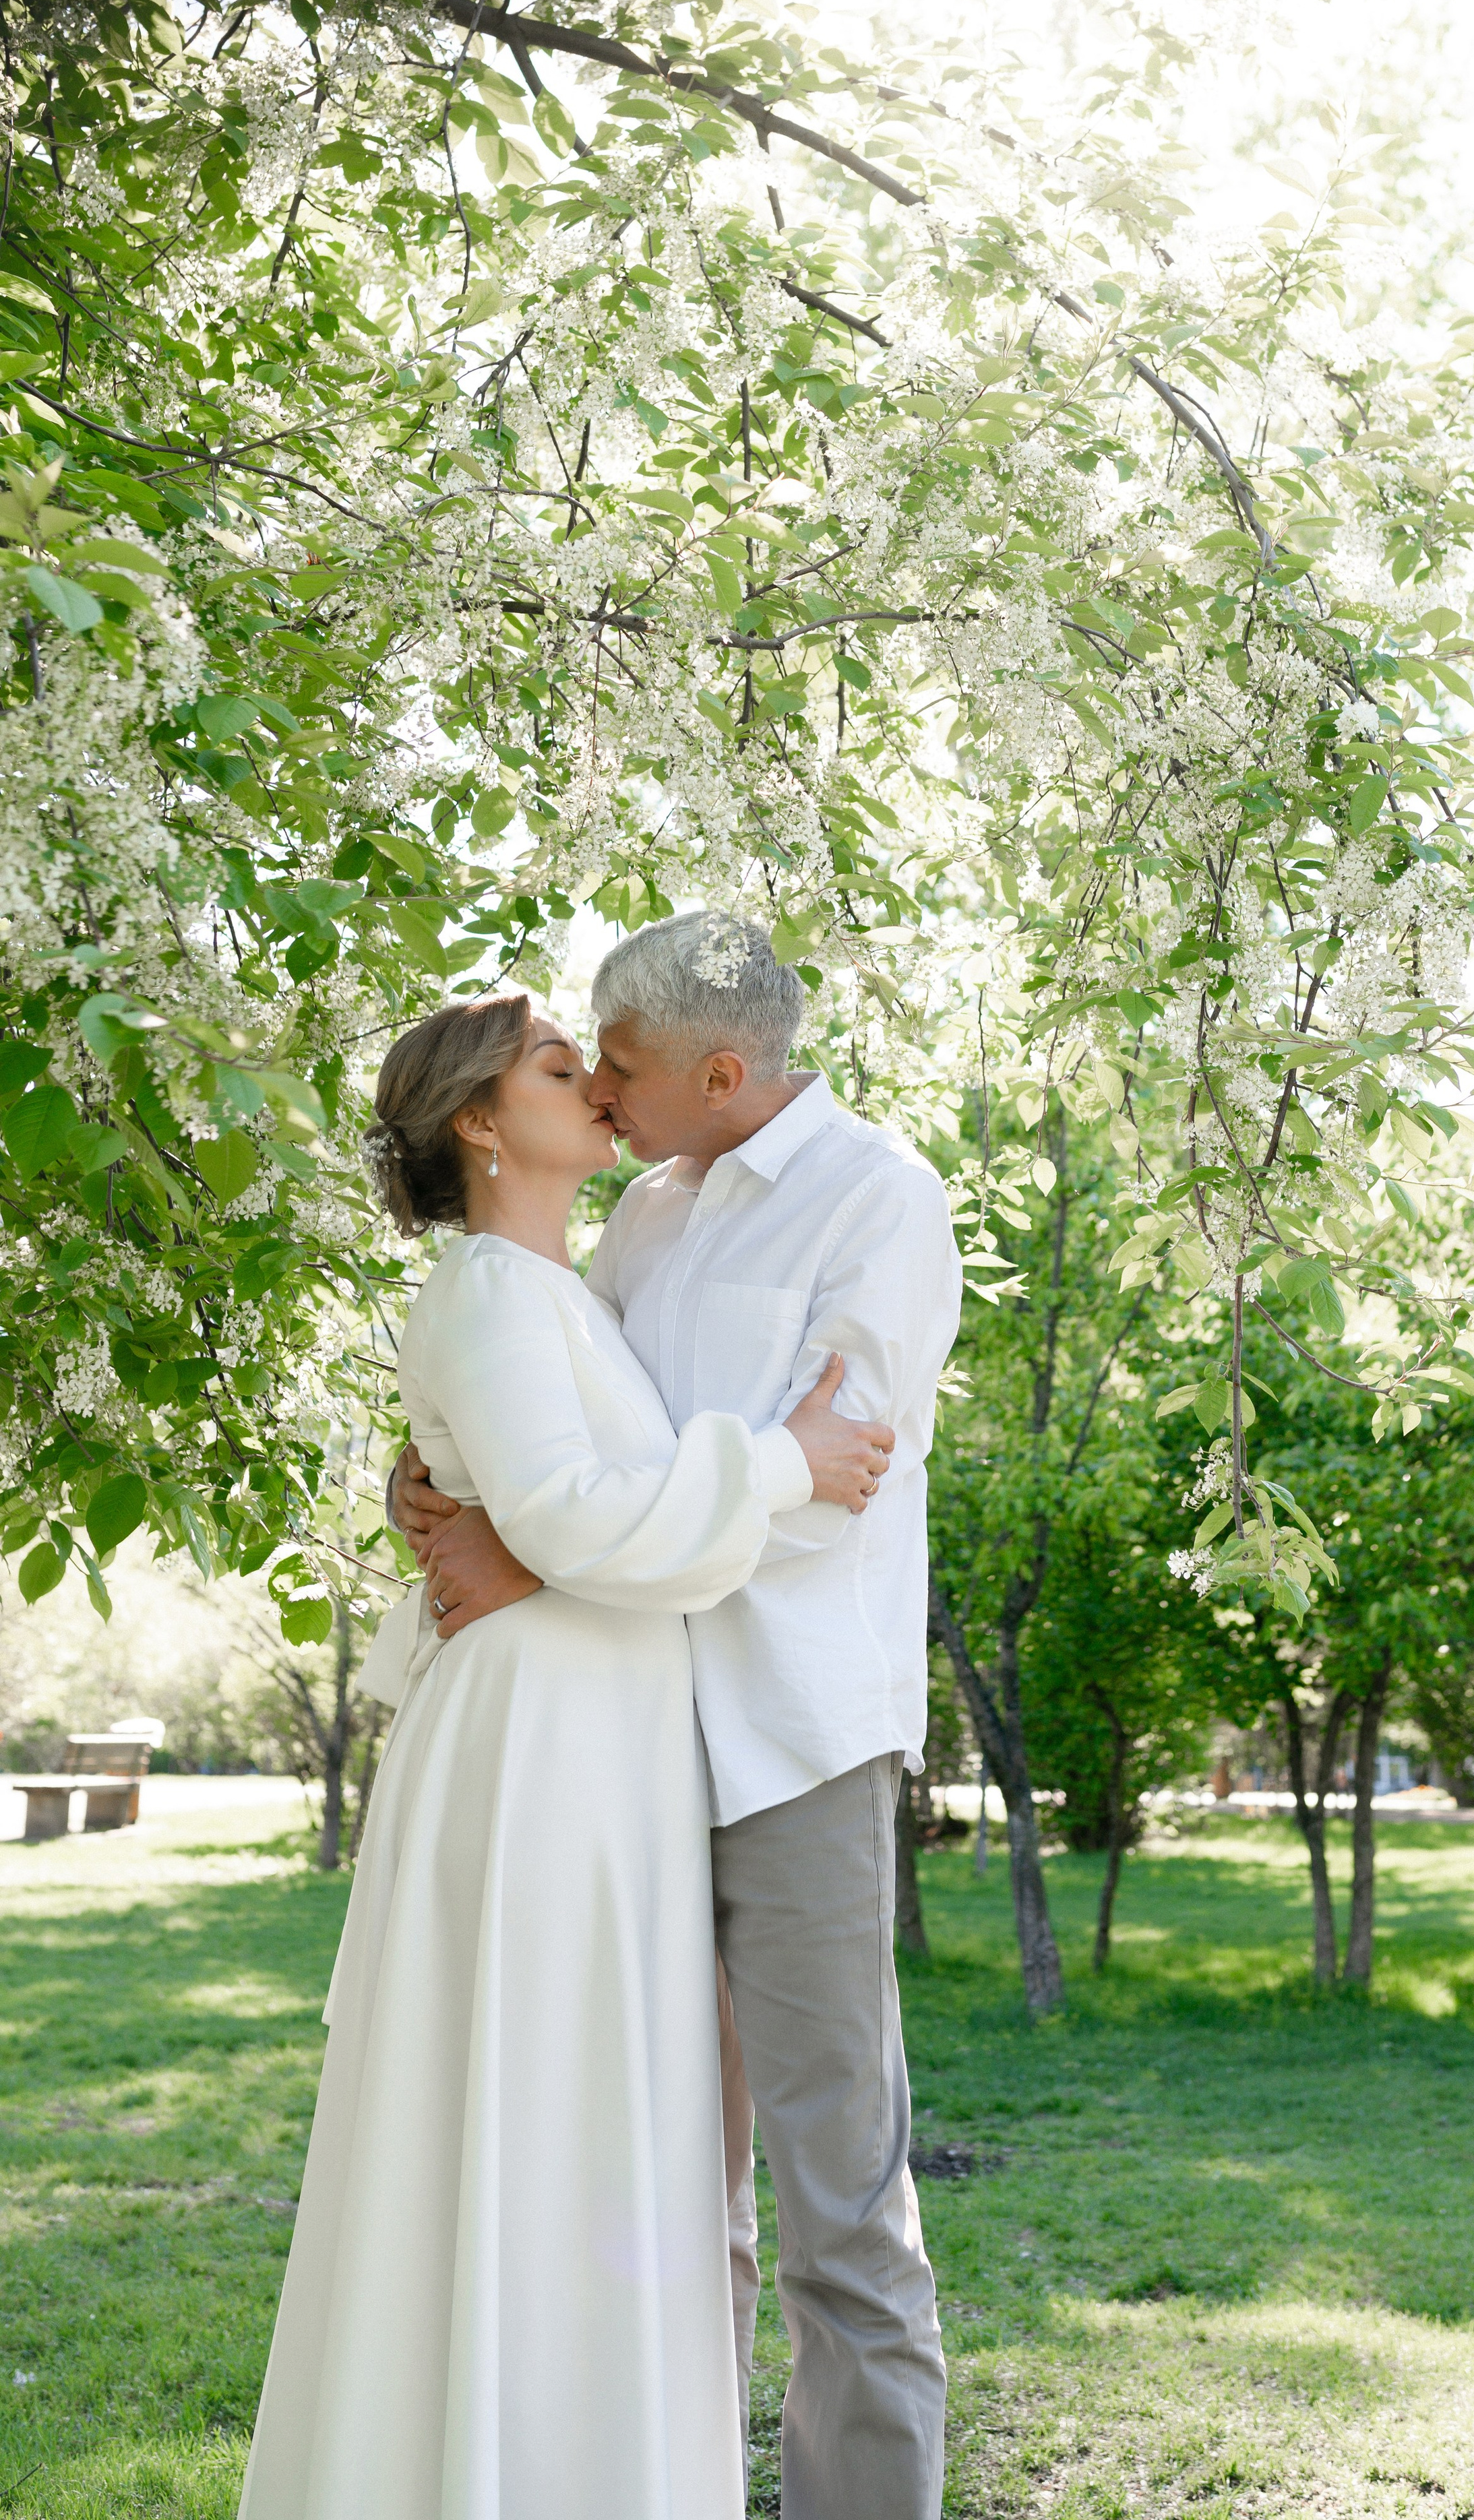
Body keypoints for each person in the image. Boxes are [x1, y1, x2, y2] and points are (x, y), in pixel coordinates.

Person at [239, 990, 894, 2520]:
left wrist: (493, 1525)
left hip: (607, 1754)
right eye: (557, 1065)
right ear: (480, 1121)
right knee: (528, 2129)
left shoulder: (569, 1293)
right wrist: (789, 1459)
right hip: (536, 1761)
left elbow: (568, 1511)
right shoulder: (480, 1289)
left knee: (596, 2141)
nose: (598, 1084)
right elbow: (586, 1518)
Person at [392, 912, 962, 2520]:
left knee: (838, 2206)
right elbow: (567, 1436)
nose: (604, 1089)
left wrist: (541, 1548)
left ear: (720, 1071)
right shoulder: (636, 1214)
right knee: (654, 2194)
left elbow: (833, 1474)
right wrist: (456, 1499)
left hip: (789, 1742)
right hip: (622, 1756)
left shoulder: (882, 1203)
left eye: (620, 1067)